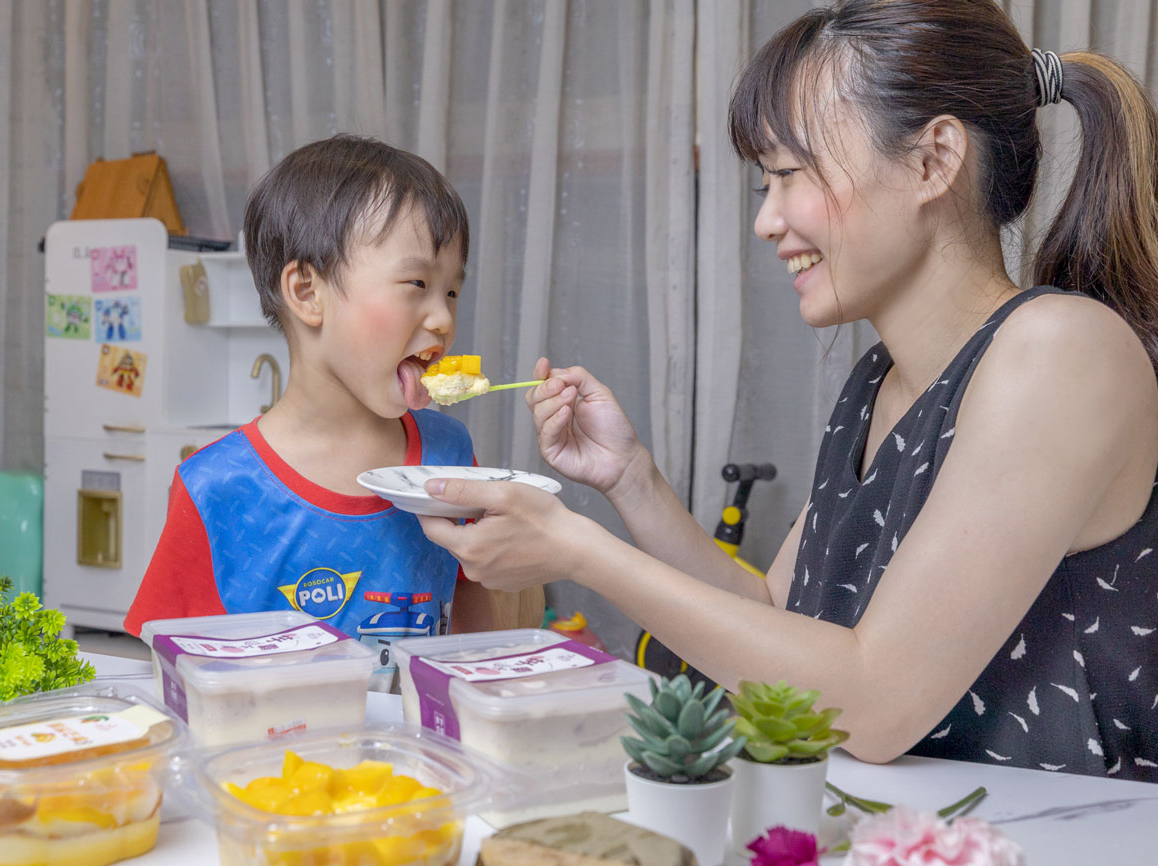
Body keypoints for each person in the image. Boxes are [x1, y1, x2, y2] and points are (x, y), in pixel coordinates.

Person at [417, 0, 1158, 781]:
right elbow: (775, 620)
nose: (768, 220)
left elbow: (872, 703)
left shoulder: (1061, 353)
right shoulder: (881, 380)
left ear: (934, 160)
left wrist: (573, 548)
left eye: (790, 175)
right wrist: (629, 481)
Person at [124, 135, 541, 687]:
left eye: (452, 292)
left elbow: (476, 649)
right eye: (417, 284)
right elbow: (166, 674)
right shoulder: (216, 486)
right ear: (306, 291)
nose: (441, 318)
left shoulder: (449, 454)